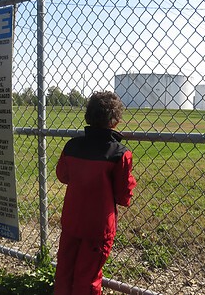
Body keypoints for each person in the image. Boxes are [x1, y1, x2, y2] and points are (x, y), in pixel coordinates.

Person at [54, 91, 137, 295]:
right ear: (116, 121)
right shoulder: (120, 153)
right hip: (98, 227)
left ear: (88, 117)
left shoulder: (72, 146)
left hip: (72, 220)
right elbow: (123, 196)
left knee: (65, 270)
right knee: (88, 277)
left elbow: (63, 175)